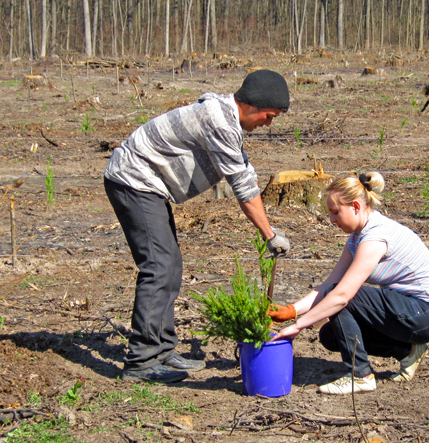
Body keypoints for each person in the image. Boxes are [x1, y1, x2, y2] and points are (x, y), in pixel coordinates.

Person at [104, 69, 291, 384]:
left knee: (170, 264)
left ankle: (161, 351)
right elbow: (243, 187)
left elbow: (243, 168)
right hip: (133, 180)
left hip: (148, 184)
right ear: (254, 106)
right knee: (159, 266)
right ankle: (142, 363)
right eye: (269, 116)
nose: (268, 124)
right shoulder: (219, 121)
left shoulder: (225, 118)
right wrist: (269, 235)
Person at [271, 172, 429, 394]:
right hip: (412, 311)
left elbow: (341, 295)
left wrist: (299, 325)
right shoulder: (357, 237)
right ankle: (407, 351)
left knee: (341, 297)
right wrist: (291, 311)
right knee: (329, 335)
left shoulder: (375, 237)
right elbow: (330, 284)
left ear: (355, 206)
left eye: (335, 212)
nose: (332, 220)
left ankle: (361, 376)